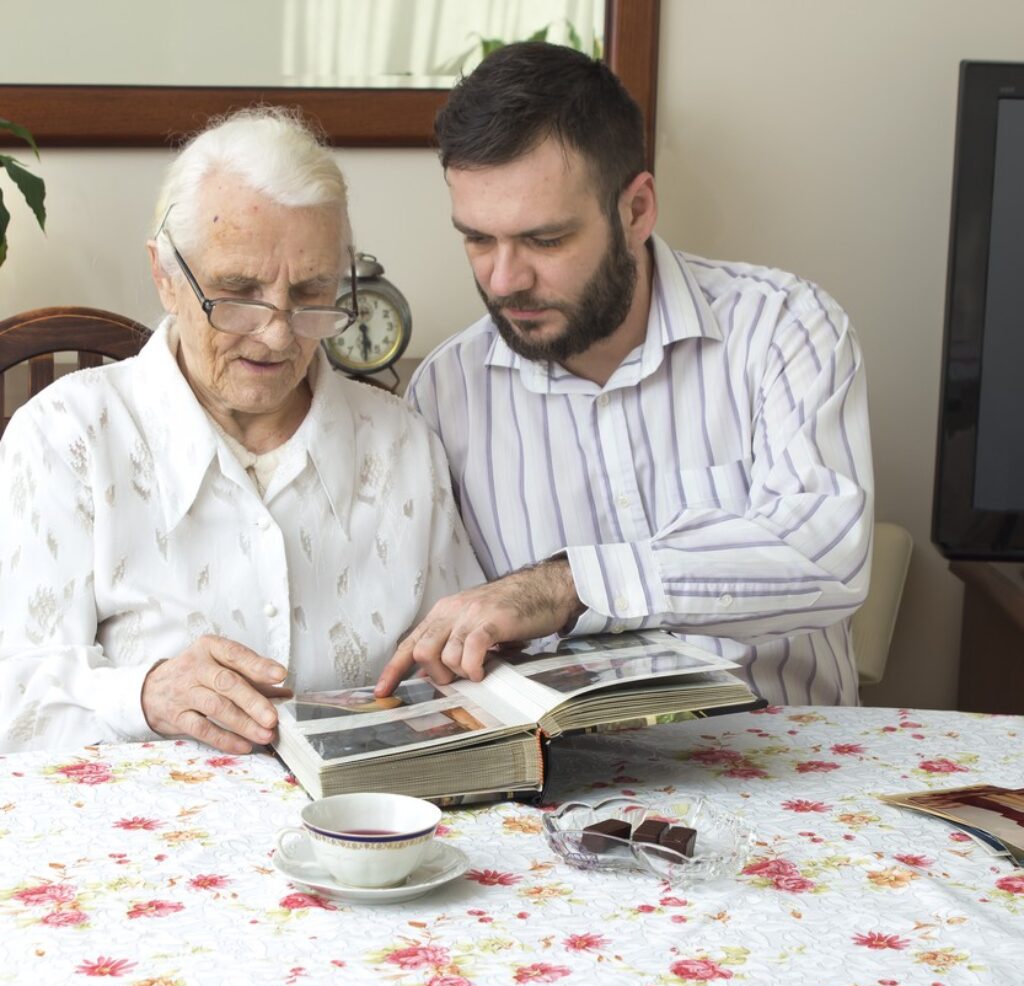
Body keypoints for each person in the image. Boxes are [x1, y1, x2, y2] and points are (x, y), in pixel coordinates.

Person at [376, 42, 873, 706]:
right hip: (562, 788)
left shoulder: (785, 328)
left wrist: (568, 585)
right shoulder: (444, 392)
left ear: (636, 210)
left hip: (789, 762)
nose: (503, 279)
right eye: (477, 238)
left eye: (544, 240)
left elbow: (828, 553)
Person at [0, 108, 483, 754]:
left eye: (312, 295)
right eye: (238, 292)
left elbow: (469, 685)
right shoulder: (67, 439)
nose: (279, 334)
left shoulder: (400, 446)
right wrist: (143, 695)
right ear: (165, 277)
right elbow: (15, 704)